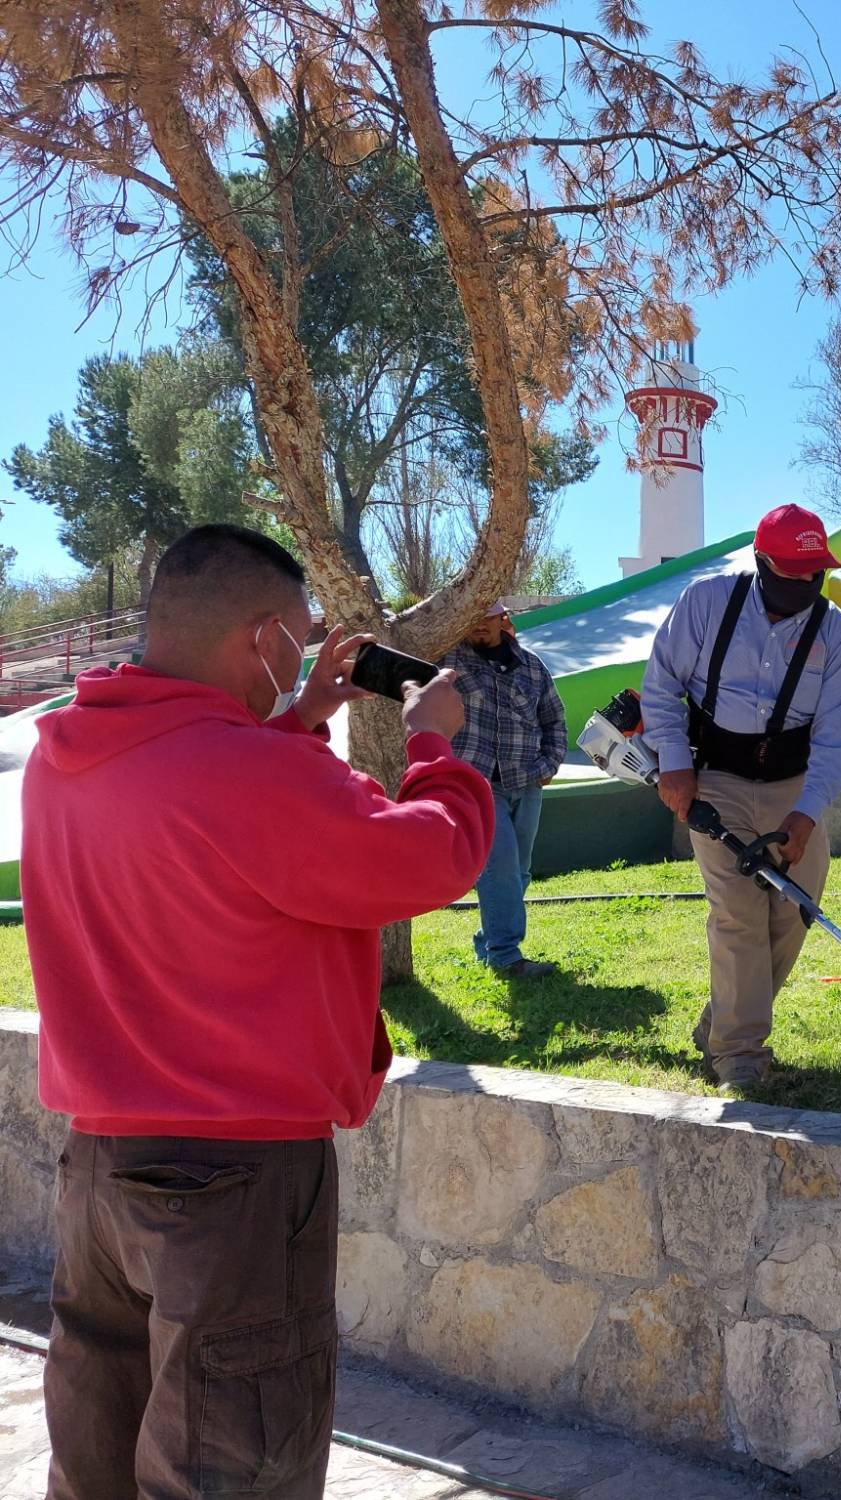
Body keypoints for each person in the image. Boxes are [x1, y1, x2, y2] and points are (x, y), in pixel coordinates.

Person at [21, 523, 492, 1499]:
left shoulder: (62, 756)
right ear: (263, 635)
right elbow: (433, 855)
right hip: (235, 1185)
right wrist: (438, 739)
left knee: (96, 1456)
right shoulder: (254, 775)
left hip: (98, 1171)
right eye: (301, 635)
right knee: (236, 1467)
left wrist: (300, 715)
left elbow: (191, 799)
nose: (305, 651)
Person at [641, 503, 841, 1091]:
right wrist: (676, 764)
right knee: (738, 912)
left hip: (794, 783)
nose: (803, 584)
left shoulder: (838, 635)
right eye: (789, 572)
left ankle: (723, 1016)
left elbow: (837, 738)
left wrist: (807, 812)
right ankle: (739, 1054)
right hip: (715, 776)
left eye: (813, 573)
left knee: (795, 909)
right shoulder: (706, 604)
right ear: (761, 561)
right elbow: (661, 686)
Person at [439, 600, 569, 979]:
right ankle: (506, 955)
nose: (480, 624)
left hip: (526, 779)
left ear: (503, 619)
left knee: (519, 870)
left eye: (488, 616)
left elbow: (554, 719)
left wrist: (548, 765)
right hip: (476, 782)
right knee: (501, 866)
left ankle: (488, 938)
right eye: (473, 616)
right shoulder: (447, 661)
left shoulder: (532, 666)